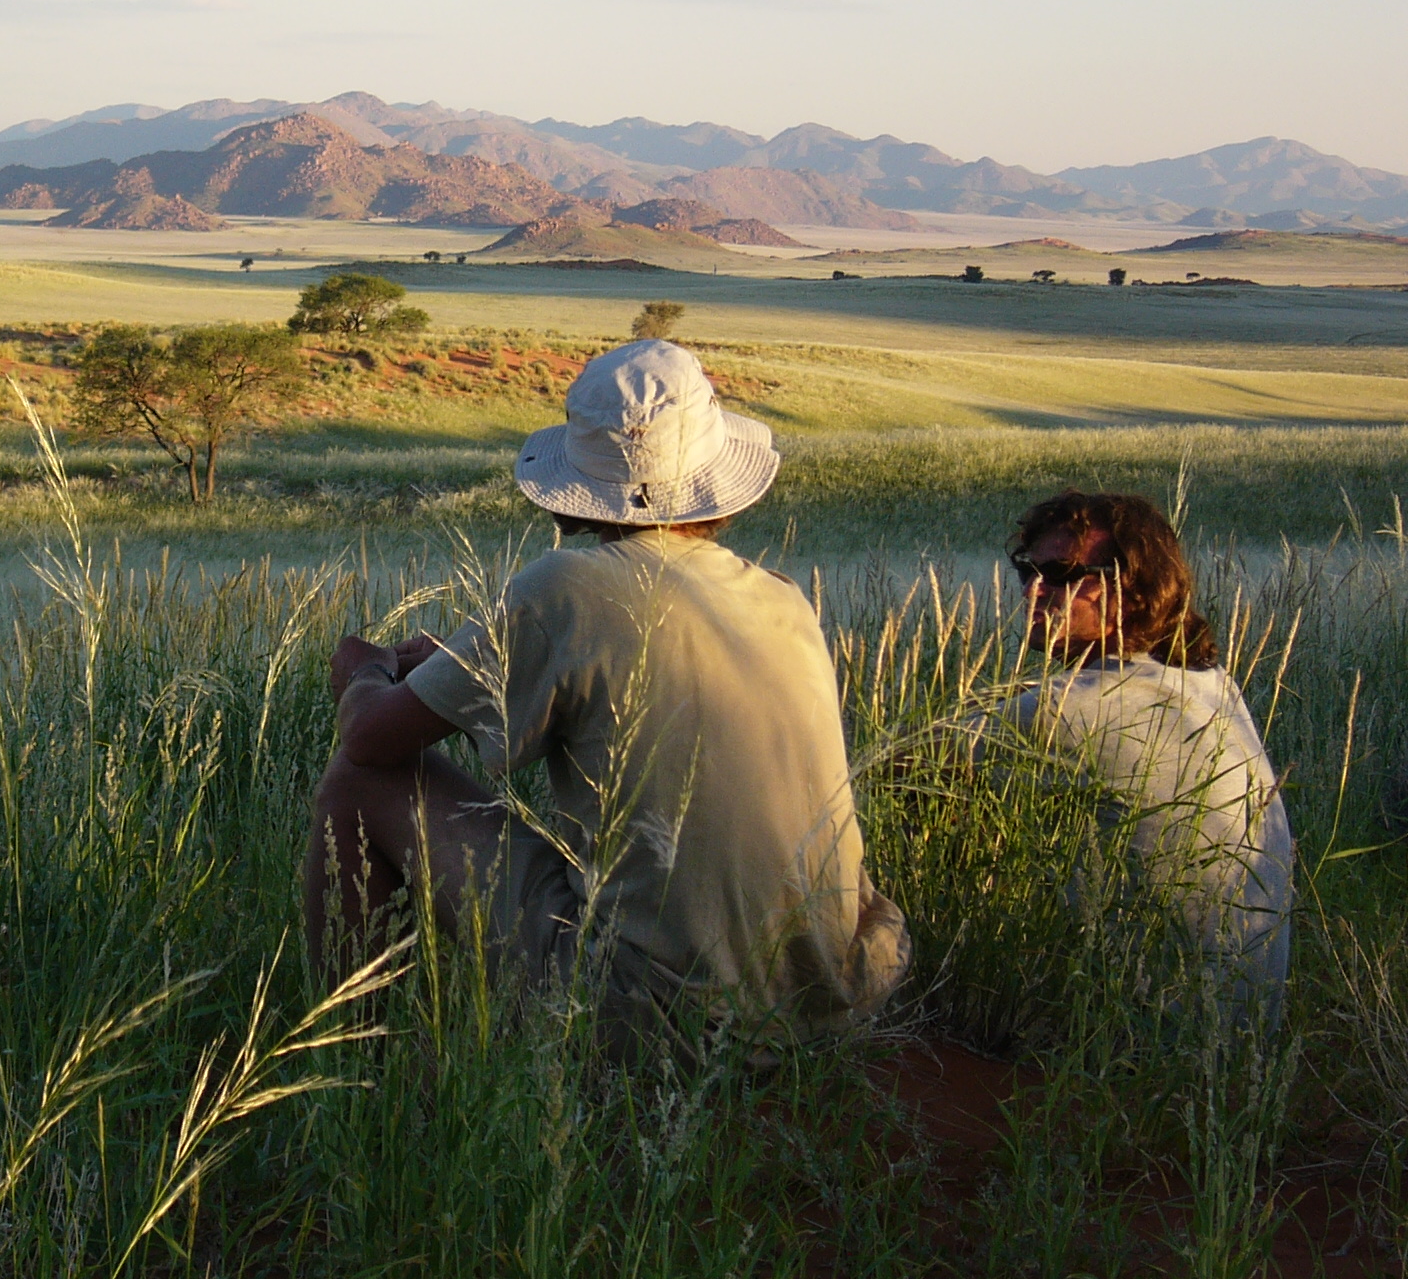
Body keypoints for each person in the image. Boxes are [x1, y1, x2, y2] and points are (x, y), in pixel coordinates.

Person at [306, 340, 909, 1047]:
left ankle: (347, 1060)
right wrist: (462, 669)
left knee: (355, 781)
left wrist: (365, 670)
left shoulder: (564, 586)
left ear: (583, 490)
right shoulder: (783, 599)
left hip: (665, 1017)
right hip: (841, 995)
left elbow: (371, 738)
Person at [999, 490, 1292, 1015]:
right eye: (1028, 570)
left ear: (1133, 590)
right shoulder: (1210, 684)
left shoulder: (1075, 708)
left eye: (1065, 574)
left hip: (1145, 1058)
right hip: (1244, 1048)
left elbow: (883, 770)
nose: (1033, 591)